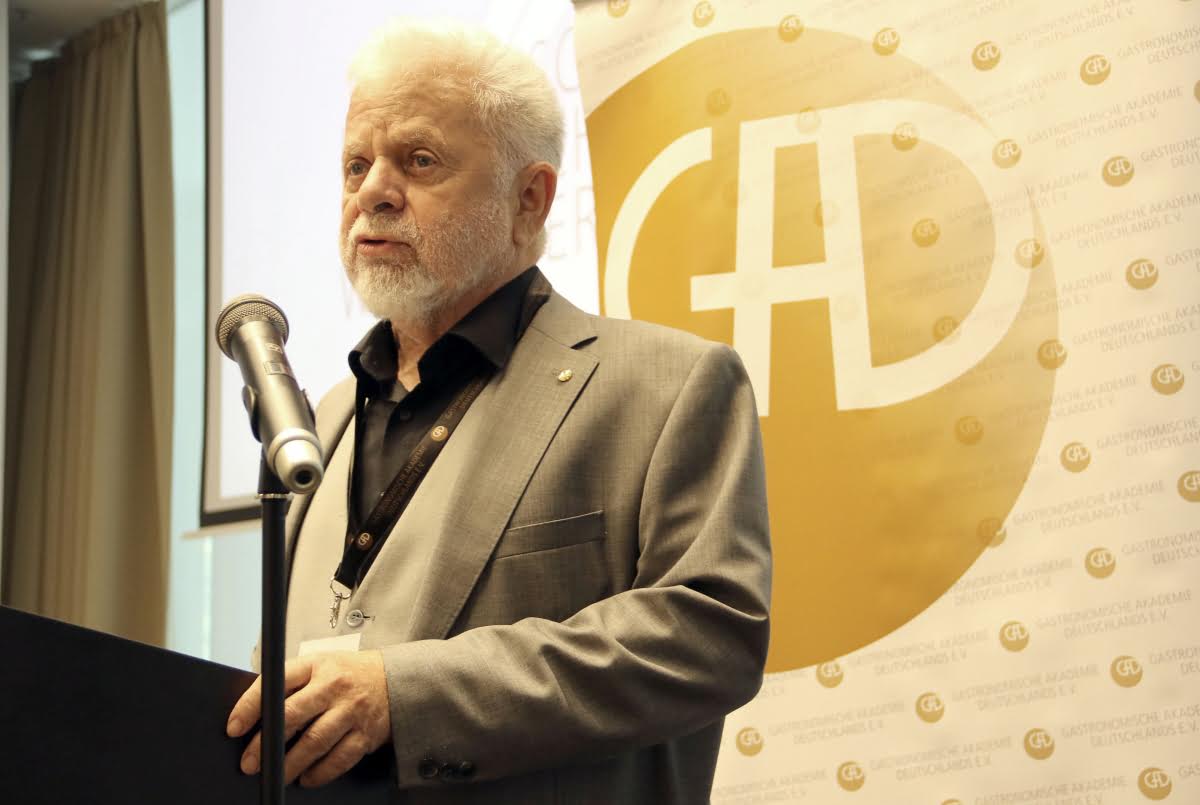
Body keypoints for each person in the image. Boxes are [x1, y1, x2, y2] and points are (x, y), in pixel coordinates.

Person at [226, 18, 771, 804]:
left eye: (419, 160)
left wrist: (407, 696)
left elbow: (710, 635)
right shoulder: (320, 420)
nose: (372, 191)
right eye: (355, 165)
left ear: (530, 198)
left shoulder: (668, 384)